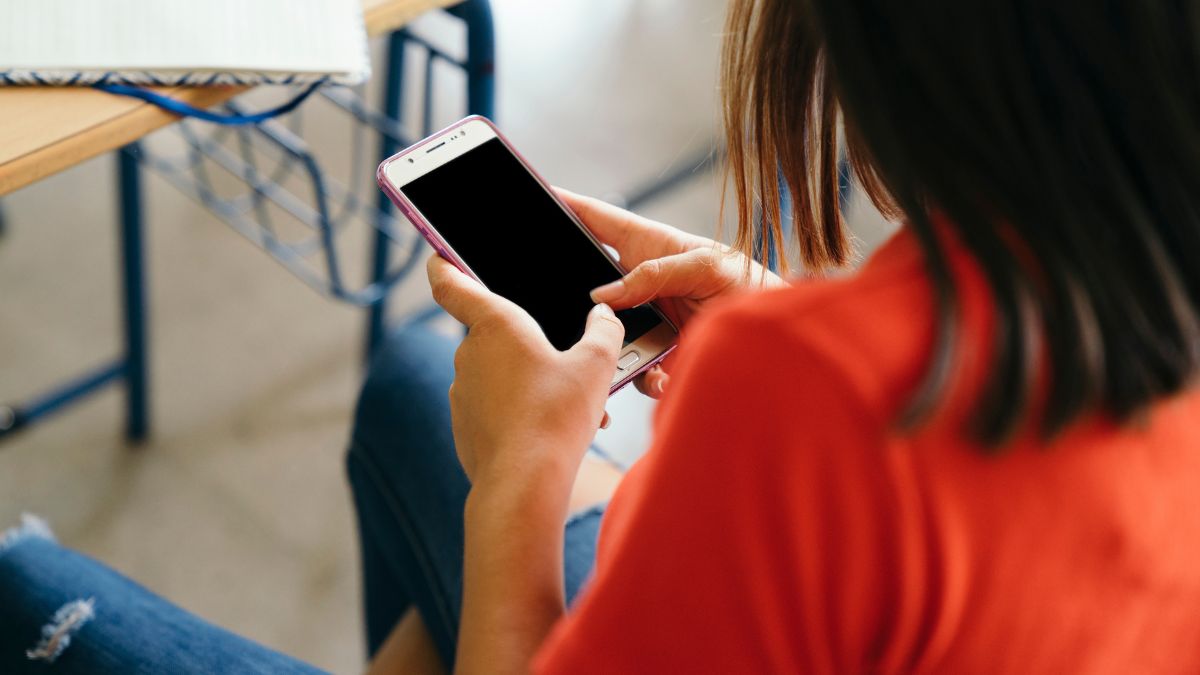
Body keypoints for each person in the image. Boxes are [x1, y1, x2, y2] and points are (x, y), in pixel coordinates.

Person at [4, 0, 1200, 672]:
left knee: (19, 588)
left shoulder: (804, 395)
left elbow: (863, 452)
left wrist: (515, 476)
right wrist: (789, 322)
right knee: (417, 373)